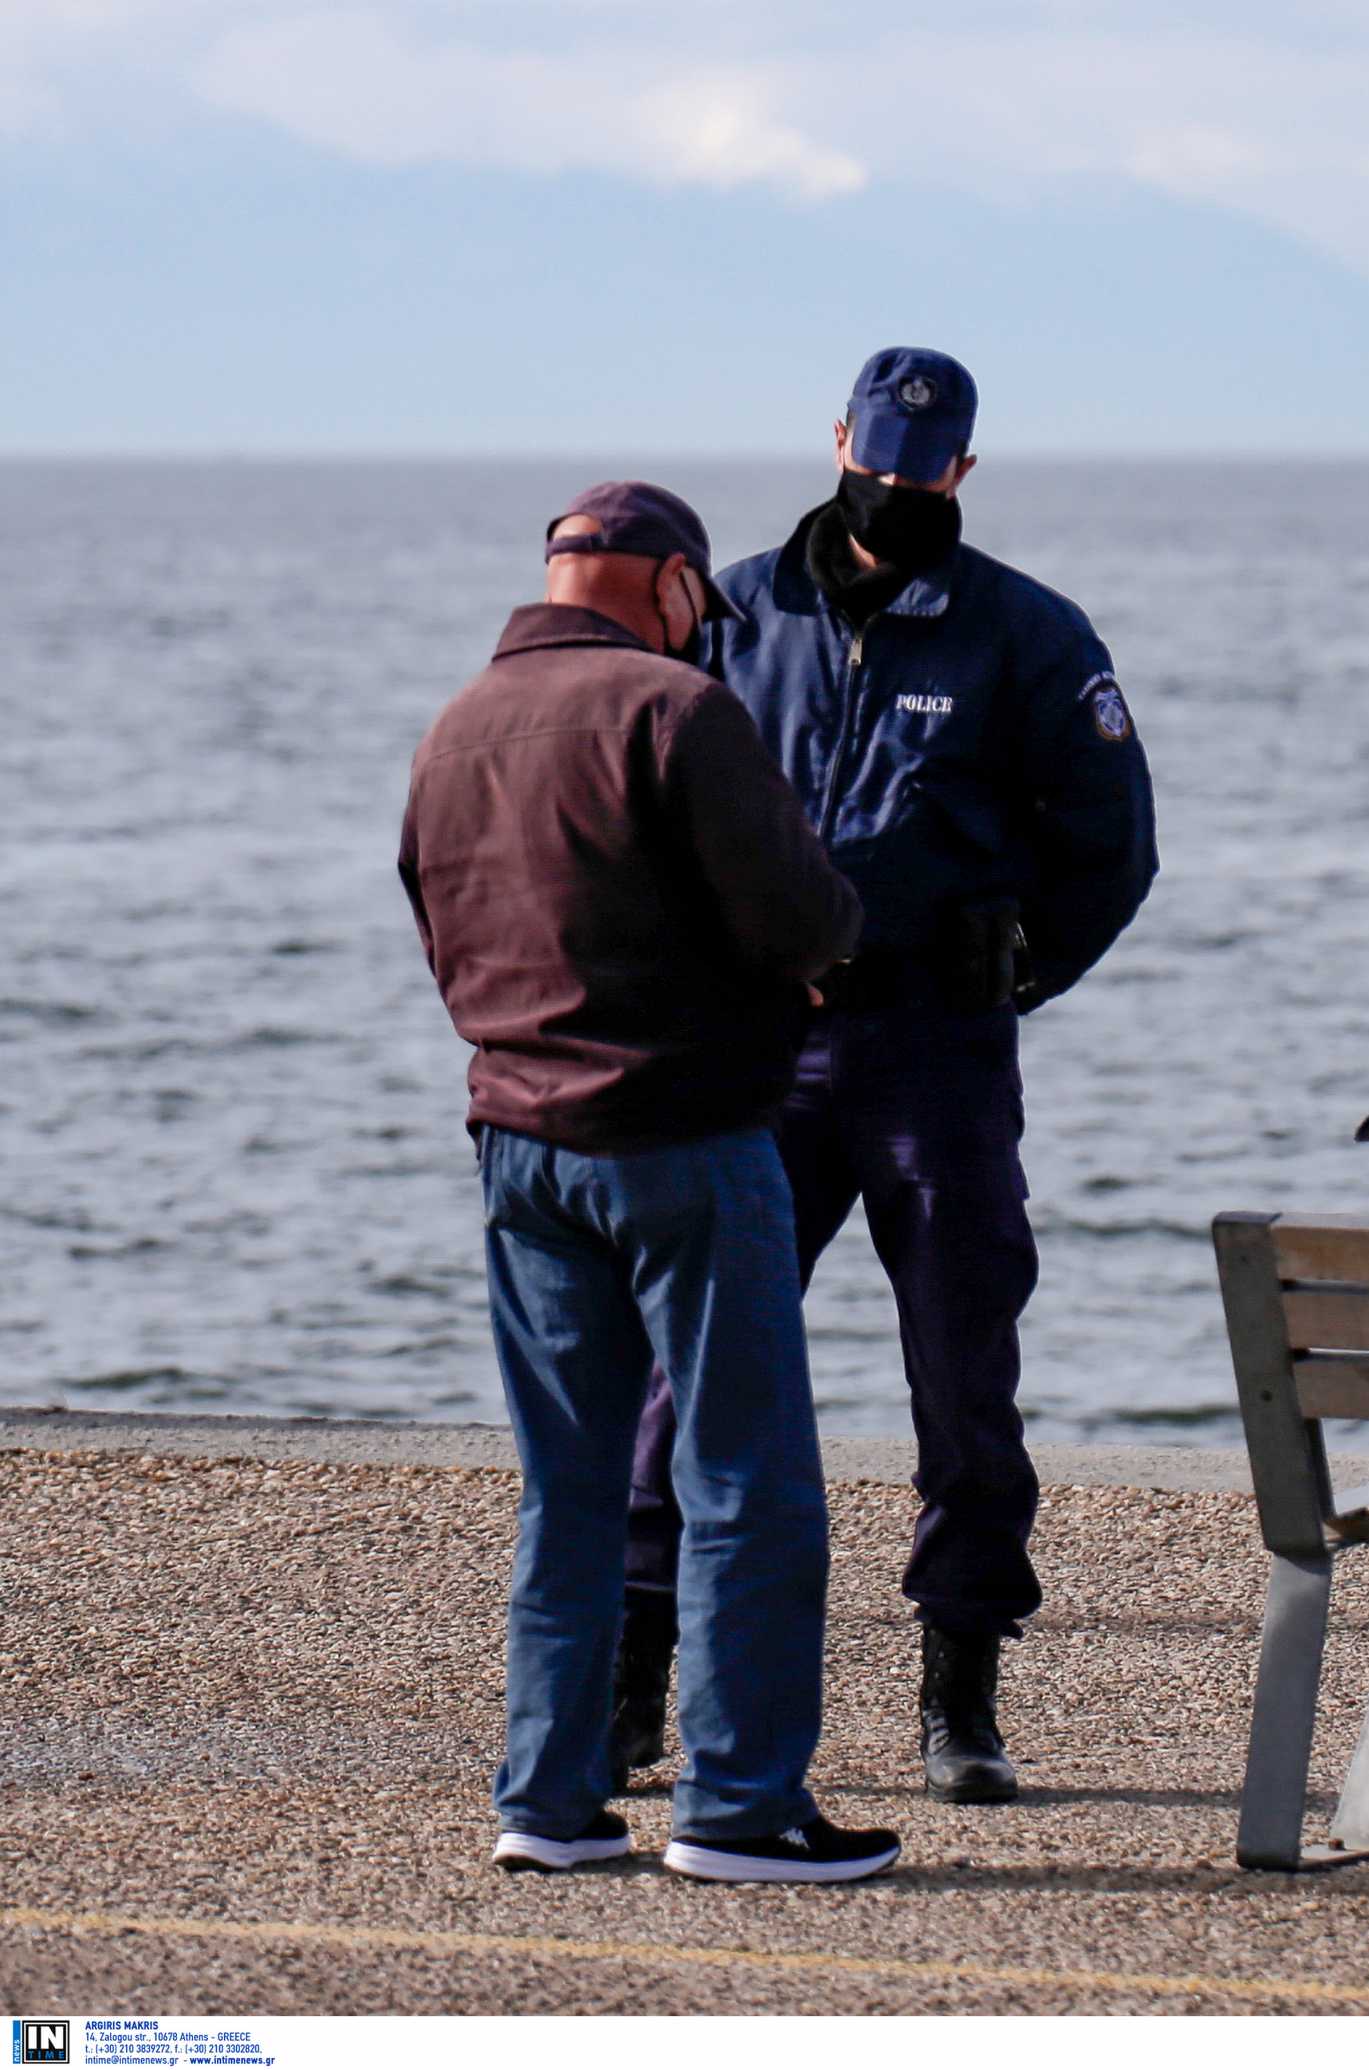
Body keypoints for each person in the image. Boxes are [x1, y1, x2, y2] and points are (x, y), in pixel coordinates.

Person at [612, 349, 1160, 1806]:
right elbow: (648, 814)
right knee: (692, 1367)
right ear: (839, 440)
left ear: (963, 474)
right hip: (759, 1050)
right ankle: (632, 1681)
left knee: (963, 1371)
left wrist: (1015, 970)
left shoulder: (1028, 636)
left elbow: (1115, 847)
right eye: (881, 462)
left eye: (927, 474)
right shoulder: (732, 614)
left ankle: (958, 1693)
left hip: (936, 1052)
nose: (899, 489)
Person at [400, 481, 901, 1884]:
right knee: (745, 1475)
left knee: (566, 1487)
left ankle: (548, 1801)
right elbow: (805, 916)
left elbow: (435, 921)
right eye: (702, 607)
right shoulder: (679, 713)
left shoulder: (457, 725)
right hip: (684, 1135)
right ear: (671, 585)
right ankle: (742, 1808)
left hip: (518, 1141)